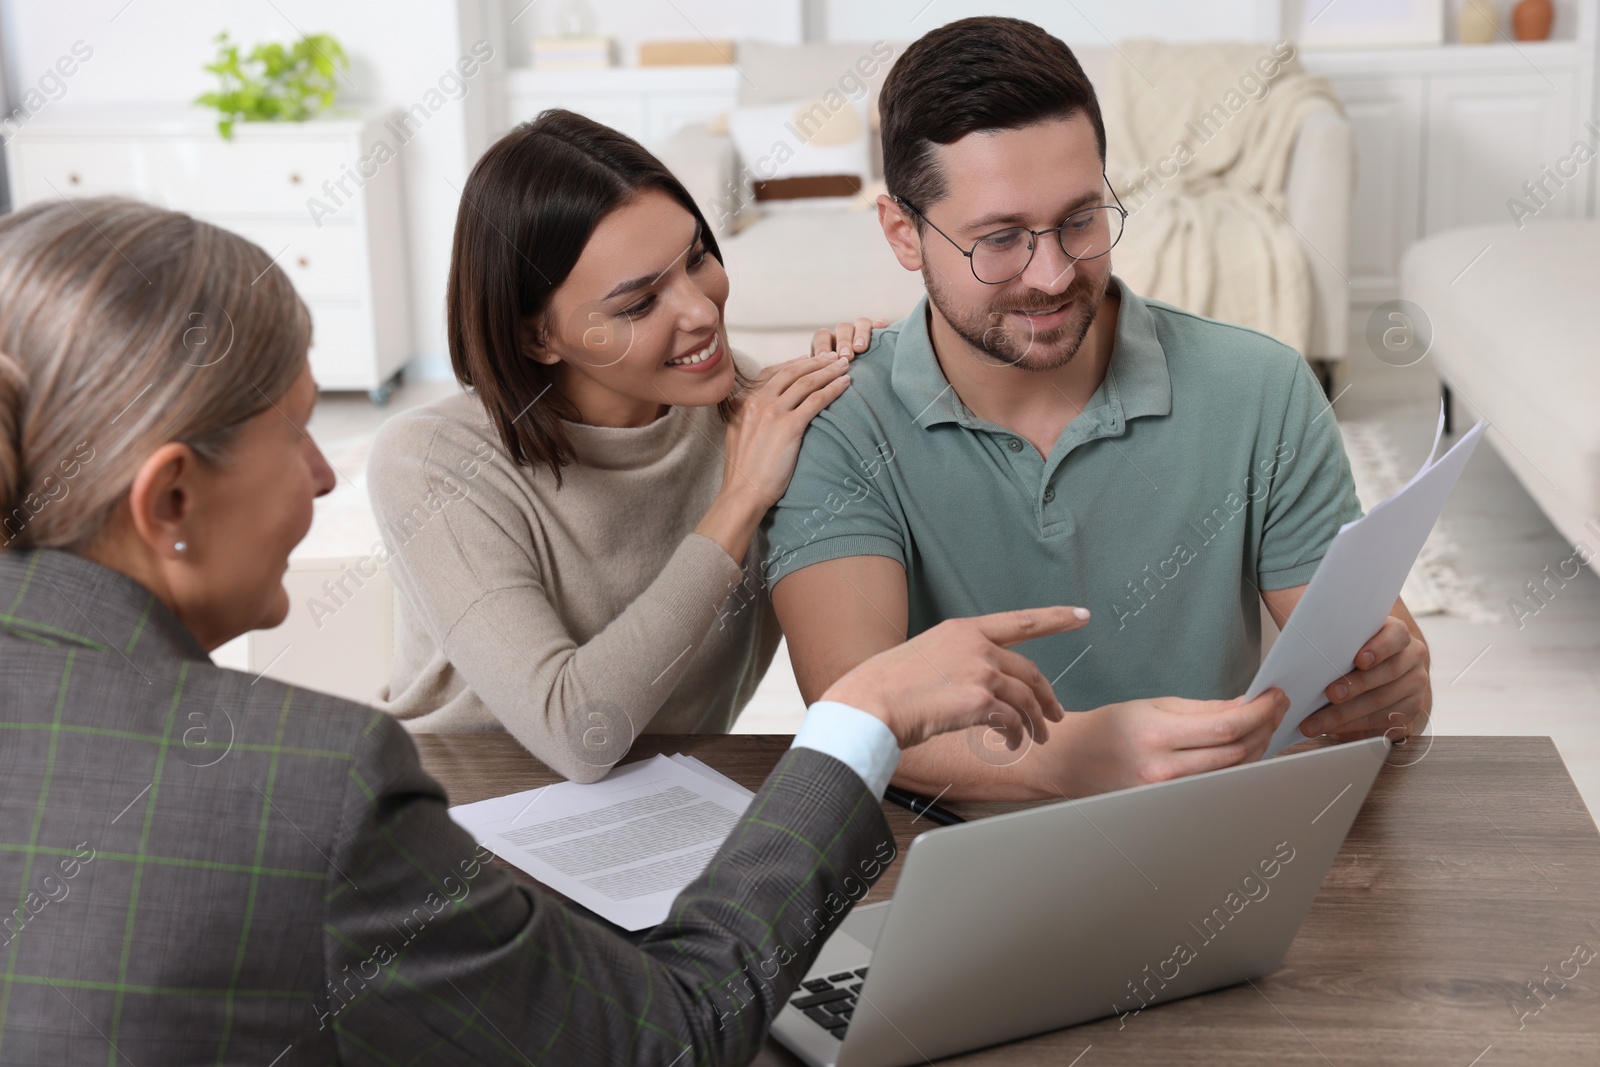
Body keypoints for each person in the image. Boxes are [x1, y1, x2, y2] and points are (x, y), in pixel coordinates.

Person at [0, 196, 1085, 1063]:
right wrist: (855, 715)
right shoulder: (309, 786)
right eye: (296, 433)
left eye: (697, 260)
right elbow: (667, 1032)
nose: (327, 469)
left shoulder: (759, 412)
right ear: (171, 500)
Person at [764, 16, 1432, 802]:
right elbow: (849, 708)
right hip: (940, 855)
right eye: (1001, 239)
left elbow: (1371, 669)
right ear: (904, 233)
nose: (1051, 275)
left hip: (1205, 837)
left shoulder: (1263, 388)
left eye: (1080, 220)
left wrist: (1395, 688)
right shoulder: (837, 416)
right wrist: (1075, 758)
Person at [367, 110, 888, 782]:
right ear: (538, 338)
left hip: (656, 807)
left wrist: (882, 377)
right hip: (457, 810)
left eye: (697, 257)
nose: (701, 310)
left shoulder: (757, 413)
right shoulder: (430, 459)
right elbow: (579, 732)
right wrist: (740, 500)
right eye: (639, 303)